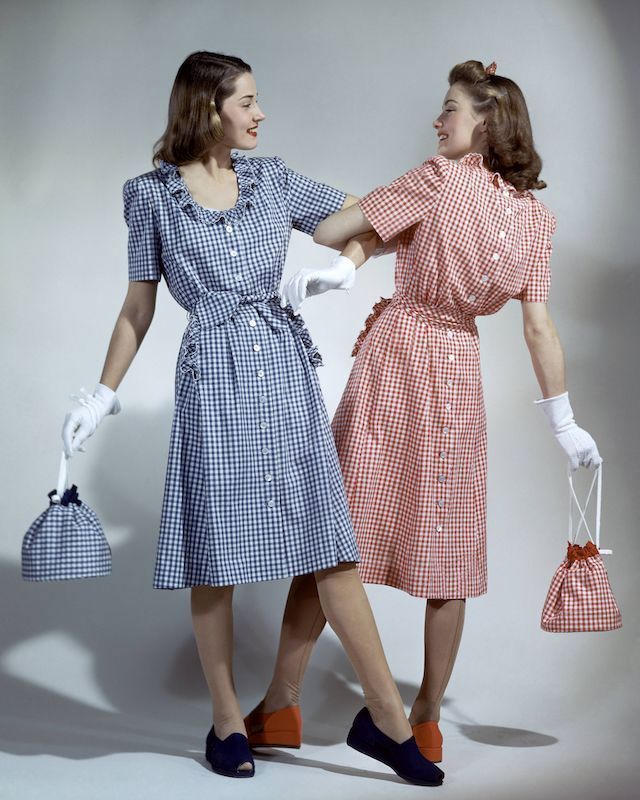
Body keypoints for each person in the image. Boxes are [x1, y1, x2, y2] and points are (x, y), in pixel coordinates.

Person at [60, 51, 444, 786]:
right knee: (215, 555)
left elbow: (370, 216)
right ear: (206, 108)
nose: (261, 113)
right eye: (247, 101)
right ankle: (228, 720)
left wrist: (349, 262)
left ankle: (388, 720)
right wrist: (102, 394)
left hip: (283, 370)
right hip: (211, 378)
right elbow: (138, 306)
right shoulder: (149, 196)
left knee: (329, 543)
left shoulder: (272, 179)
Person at [247, 59, 602, 764]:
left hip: (398, 356)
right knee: (451, 545)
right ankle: (428, 719)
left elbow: (331, 229)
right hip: (457, 369)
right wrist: (563, 422)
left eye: (450, 109)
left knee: (333, 532)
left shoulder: (436, 178)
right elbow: (538, 327)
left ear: (486, 123)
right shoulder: (536, 219)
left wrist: (352, 243)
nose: (437, 122)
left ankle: (281, 706)